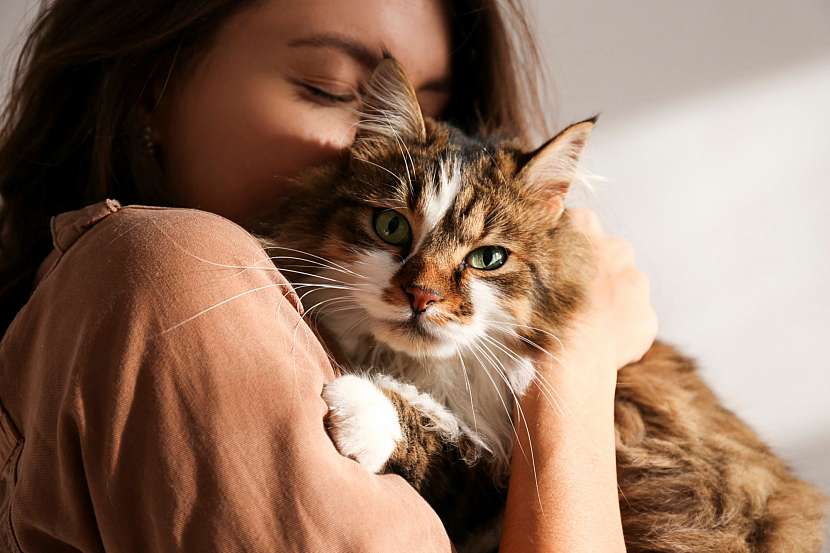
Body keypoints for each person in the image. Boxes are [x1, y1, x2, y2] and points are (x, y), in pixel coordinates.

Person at [0, 1, 657, 551]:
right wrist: (575, 370)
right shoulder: (178, 270)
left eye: (432, 110)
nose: (380, 149)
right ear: (150, 82)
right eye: (334, 89)